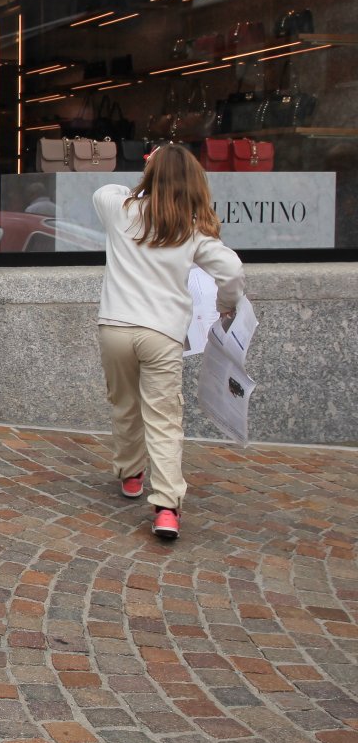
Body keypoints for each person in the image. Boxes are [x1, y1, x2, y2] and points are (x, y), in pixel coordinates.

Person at [93, 143, 244, 540]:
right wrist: (226, 305)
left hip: (116, 327)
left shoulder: (121, 209)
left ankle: (130, 473)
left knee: (124, 404)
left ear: (149, 175)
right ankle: (166, 508)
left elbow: (104, 191)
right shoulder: (190, 228)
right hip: (161, 333)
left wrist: (146, 182)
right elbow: (231, 269)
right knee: (163, 418)